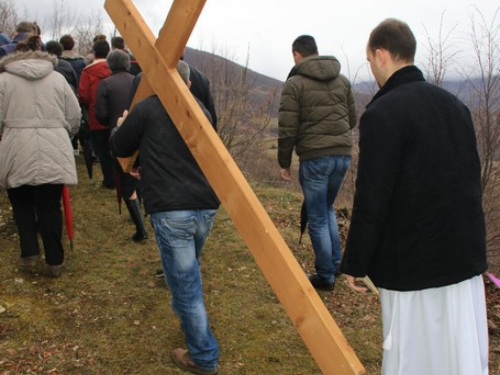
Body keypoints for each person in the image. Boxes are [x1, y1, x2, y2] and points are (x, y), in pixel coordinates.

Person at [340, 19, 489, 375]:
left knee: (413, 355)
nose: (373, 70)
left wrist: (355, 263)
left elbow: (372, 198)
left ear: (381, 55)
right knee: (458, 354)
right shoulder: (456, 107)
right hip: (462, 256)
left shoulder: (382, 114)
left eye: (371, 62)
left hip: (413, 261)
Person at [110, 60, 220, 375]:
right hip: (205, 206)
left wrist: (122, 124)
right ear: (186, 84)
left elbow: (119, 146)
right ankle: (190, 322)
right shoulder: (203, 110)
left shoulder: (147, 108)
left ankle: (203, 356)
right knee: (184, 274)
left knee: (186, 285)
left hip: (173, 209)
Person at [277, 35, 356, 291]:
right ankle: (334, 263)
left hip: (315, 158)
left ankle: (325, 276)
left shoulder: (294, 84)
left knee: (318, 216)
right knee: (328, 208)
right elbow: (351, 119)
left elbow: (288, 129)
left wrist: (284, 162)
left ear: (297, 55)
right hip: (342, 155)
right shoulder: (342, 81)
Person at [0, 35, 80, 277]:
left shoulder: (3, 81)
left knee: (21, 203)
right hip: (53, 145)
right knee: (50, 206)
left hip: (16, 146)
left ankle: (29, 254)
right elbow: (74, 115)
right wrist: (64, 133)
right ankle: (55, 260)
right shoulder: (57, 79)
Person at [94, 49, 148, 242]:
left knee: (126, 183)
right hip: (142, 135)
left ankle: (140, 229)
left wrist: (113, 122)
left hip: (119, 136)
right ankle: (141, 211)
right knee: (139, 174)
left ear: (110, 65)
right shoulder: (139, 81)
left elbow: (100, 113)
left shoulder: (106, 84)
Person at [78, 39, 114, 189]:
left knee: (103, 151)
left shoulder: (87, 72)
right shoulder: (115, 68)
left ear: (94, 53)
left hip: (96, 117)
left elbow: (84, 96)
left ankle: (109, 180)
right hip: (115, 116)